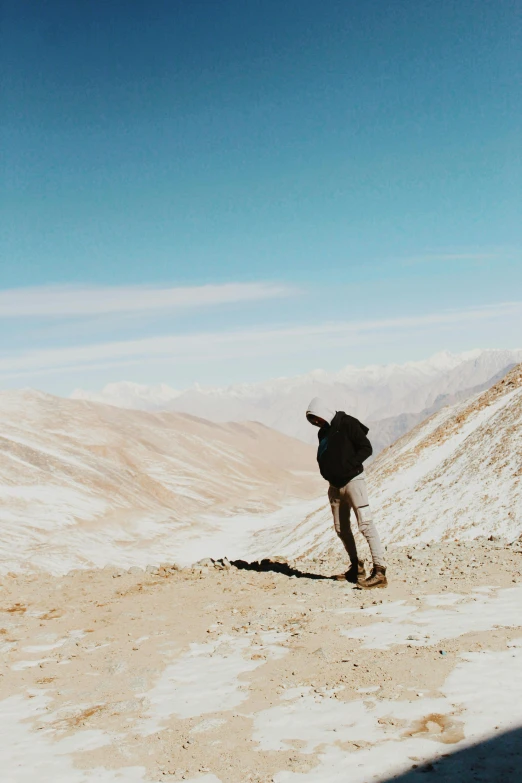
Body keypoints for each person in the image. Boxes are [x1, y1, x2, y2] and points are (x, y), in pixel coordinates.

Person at [306, 397, 387, 589]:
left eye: (316, 417)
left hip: (354, 483)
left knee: (366, 525)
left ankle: (380, 571)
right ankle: (356, 567)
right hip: (334, 486)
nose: (316, 422)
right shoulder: (323, 432)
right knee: (341, 528)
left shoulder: (348, 423)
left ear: (324, 412)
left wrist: (349, 465)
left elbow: (366, 448)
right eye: (312, 420)